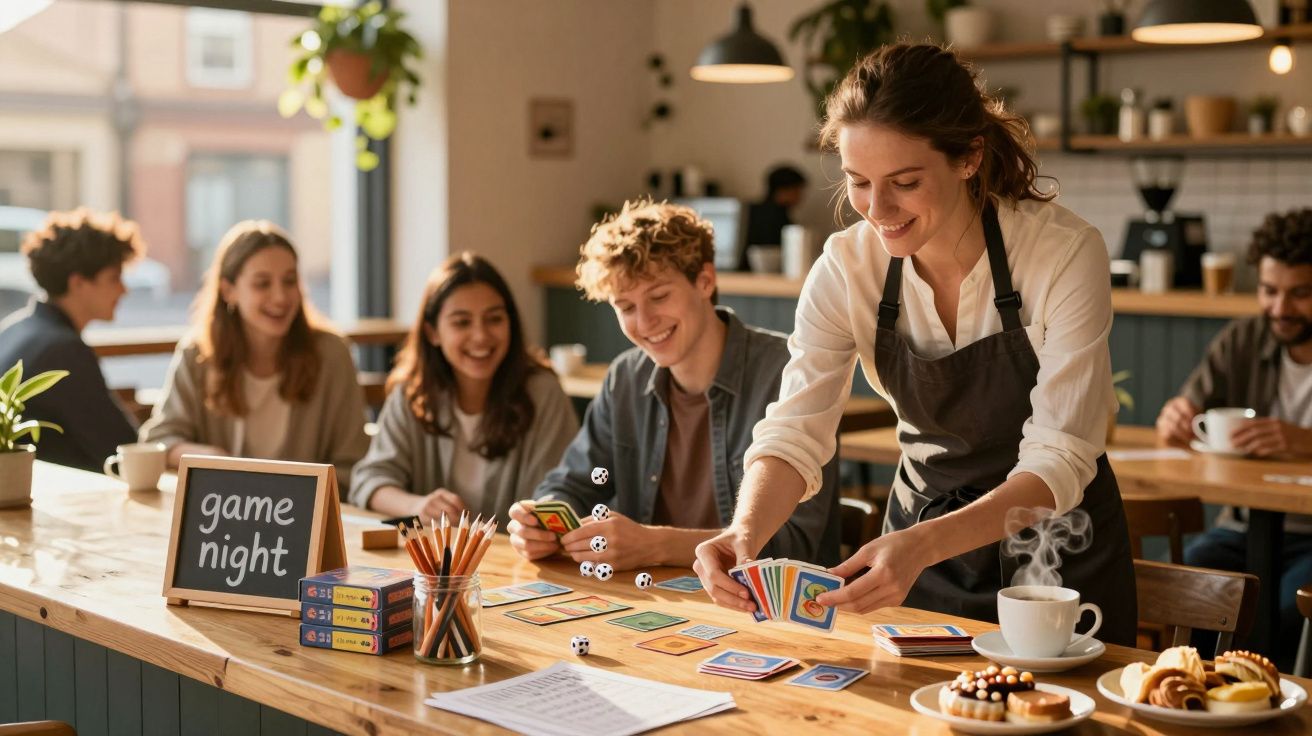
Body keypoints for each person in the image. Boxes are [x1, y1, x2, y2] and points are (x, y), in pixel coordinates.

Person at [693, 43, 1136, 644]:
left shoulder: (1061, 253)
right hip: (916, 554)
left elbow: (1059, 456)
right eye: (858, 183)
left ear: (968, 157)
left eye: (904, 182)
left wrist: (921, 545)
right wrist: (744, 532)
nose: (878, 210)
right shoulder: (846, 267)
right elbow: (795, 431)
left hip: (1053, 560)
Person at [506, 199, 841, 572]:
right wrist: (541, 519)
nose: (645, 322)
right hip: (653, 604)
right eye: (626, 307)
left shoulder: (788, 373)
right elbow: (578, 484)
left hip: (771, 610)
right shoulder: (625, 380)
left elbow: (797, 544)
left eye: (659, 296)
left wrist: (656, 545)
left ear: (705, 281)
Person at [1156, 207, 1312, 670]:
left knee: (1284, 612)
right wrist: (1175, 418)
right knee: (1182, 589)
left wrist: (1305, 442)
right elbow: (1188, 409)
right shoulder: (1243, 340)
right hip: (1242, 527)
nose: (1281, 309)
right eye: (1269, 291)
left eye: (1301, 294)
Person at [139, 221, 368, 491]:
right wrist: (209, 459)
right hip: (222, 517)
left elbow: (353, 461)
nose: (280, 296)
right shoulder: (197, 354)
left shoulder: (332, 354)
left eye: (290, 281)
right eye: (262, 284)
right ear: (229, 291)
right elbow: (160, 439)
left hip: (306, 519)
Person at [349, 253, 578, 522]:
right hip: (432, 561)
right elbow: (368, 481)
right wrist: (419, 505)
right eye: (462, 322)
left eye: (494, 319)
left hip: (517, 561)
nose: (481, 336)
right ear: (432, 332)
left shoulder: (543, 393)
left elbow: (561, 493)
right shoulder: (412, 394)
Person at [0, 209, 141, 470]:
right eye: (114, 278)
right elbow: (125, 450)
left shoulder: (14, 328)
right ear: (78, 282)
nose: (124, 289)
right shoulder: (63, 350)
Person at [744, 164, 807, 257]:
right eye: (797, 190)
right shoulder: (776, 216)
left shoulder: (752, 210)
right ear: (783, 190)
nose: (800, 196)